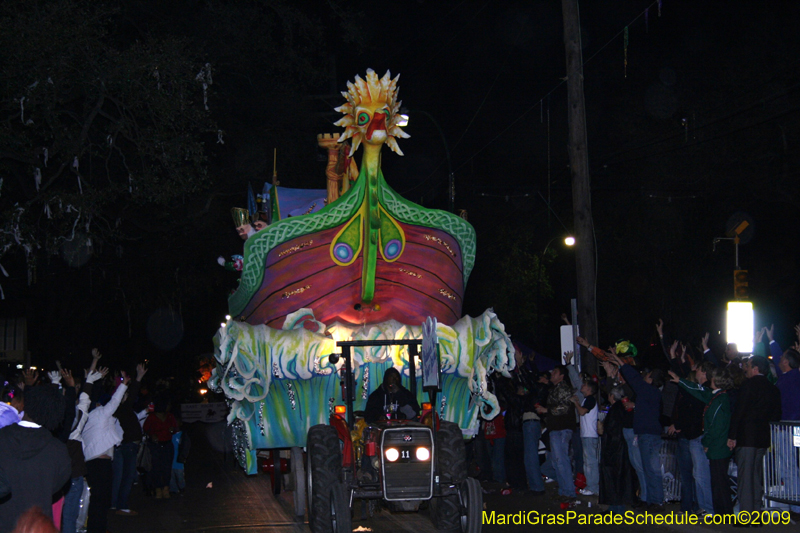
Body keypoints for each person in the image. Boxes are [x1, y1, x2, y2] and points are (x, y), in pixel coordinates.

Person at [0, 384, 71, 533]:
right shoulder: (58, 449)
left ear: (27, 403)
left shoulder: (2, 437)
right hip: (37, 525)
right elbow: (57, 485)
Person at [672, 367, 734, 515]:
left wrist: (706, 442)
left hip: (718, 447)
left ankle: (718, 512)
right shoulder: (715, 397)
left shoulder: (720, 400)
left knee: (716, 480)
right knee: (713, 479)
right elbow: (699, 391)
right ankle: (717, 511)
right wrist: (681, 381)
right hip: (716, 446)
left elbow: (715, 425)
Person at [727, 355, 782, 514]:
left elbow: (739, 411)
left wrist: (732, 435)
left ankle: (746, 515)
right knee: (757, 477)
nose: (746, 369)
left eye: (749, 366)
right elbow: (776, 415)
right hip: (763, 438)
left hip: (747, 438)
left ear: (755, 368)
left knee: (745, 478)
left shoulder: (748, 385)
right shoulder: (773, 388)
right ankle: (756, 513)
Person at [613, 352, 665, 510]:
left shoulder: (649, 391)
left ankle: (656, 501)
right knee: (648, 468)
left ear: (651, 378)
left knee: (651, 469)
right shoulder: (650, 394)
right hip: (647, 433)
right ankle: (650, 500)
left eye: (647, 375)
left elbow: (634, 379)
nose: (644, 377)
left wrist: (621, 363)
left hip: (648, 435)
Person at [81, 370, 129, 533]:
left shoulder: (102, 420)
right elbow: (114, 403)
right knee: (99, 501)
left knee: (101, 500)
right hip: (99, 464)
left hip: (98, 463)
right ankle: (96, 529)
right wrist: (123, 385)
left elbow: (120, 436)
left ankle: (99, 528)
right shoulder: (99, 414)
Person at [112, 364, 147, 516]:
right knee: (127, 477)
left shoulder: (122, 410)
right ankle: (122, 505)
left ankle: (115, 504)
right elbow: (132, 395)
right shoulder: (122, 408)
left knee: (119, 477)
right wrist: (138, 377)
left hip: (123, 446)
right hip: (128, 446)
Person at [599, 386, 636, 514]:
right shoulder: (621, 408)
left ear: (612, 396)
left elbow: (613, 431)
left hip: (615, 449)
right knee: (619, 478)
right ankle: (614, 507)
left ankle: (617, 508)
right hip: (620, 448)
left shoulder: (616, 409)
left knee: (614, 478)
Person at [143, 398, 179, 499]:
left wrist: (173, 429)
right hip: (155, 445)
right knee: (156, 468)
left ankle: (166, 488)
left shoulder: (170, 416)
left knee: (167, 468)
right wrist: (152, 435)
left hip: (167, 444)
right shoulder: (152, 417)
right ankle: (158, 489)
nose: (169, 407)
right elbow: (146, 429)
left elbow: (176, 427)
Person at [572, 379, 600, 496]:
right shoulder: (587, 400)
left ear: (589, 389)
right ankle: (591, 486)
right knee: (588, 462)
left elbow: (582, 412)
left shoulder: (590, 399)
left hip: (589, 435)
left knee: (590, 463)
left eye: (584, 385)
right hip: (587, 435)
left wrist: (575, 403)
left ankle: (593, 487)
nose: (582, 386)